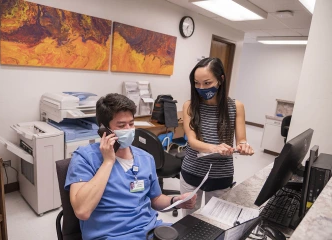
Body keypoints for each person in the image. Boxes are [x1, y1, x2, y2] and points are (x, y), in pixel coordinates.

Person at [65, 93, 197, 240]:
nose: (128, 130)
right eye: (121, 125)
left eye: (131, 124)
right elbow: (82, 211)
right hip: (111, 235)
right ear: (104, 130)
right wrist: (108, 161)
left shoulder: (145, 158)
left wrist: (176, 201)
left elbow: (156, 198)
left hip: (151, 231)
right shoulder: (84, 157)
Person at [180, 58, 254, 216]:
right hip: (192, 172)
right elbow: (192, 141)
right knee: (188, 221)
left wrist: (243, 145)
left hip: (221, 174)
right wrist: (215, 147)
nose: (201, 88)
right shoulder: (189, 106)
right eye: (196, 83)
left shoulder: (236, 107)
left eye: (207, 83)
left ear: (220, 80)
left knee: (215, 220)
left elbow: (241, 139)